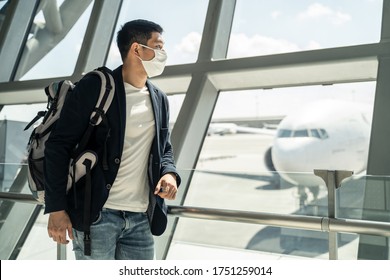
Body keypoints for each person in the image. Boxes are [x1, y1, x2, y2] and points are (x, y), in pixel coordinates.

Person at [44, 19, 181, 260]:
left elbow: (164, 148)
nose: (163, 54)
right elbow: (58, 146)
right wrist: (56, 208)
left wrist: (169, 173)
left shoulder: (159, 98)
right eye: (158, 47)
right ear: (136, 49)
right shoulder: (96, 87)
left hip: (140, 218)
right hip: (97, 215)